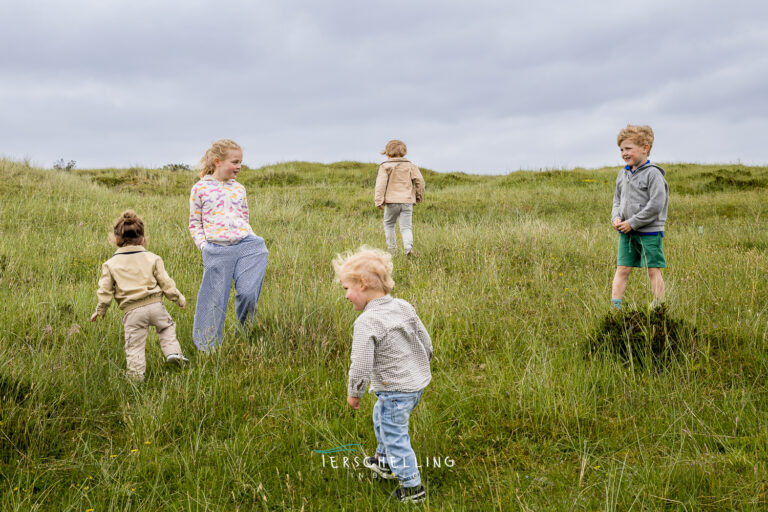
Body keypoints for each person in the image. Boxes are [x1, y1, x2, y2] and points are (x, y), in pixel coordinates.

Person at [332, 247, 432, 503]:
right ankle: (385, 463)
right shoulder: (403, 306)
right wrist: (422, 365)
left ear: (362, 284)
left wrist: (354, 393)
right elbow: (425, 341)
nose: (345, 296)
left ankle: (412, 487)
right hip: (415, 386)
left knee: (394, 433)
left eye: (346, 288)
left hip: (395, 389)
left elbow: (361, 364)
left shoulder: (367, 322)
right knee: (382, 416)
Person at [188, 139, 269, 351]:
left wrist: (250, 235)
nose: (239, 166)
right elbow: (194, 223)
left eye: (241, 161)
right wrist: (204, 246)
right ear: (217, 161)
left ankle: (246, 331)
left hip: (247, 245)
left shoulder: (239, 189)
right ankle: (208, 349)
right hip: (217, 249)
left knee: (248, 293)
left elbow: (244, 217)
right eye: (235, 162)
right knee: (213, 301)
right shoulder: (200, 189)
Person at [90, 210, 189, 381]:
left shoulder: (110, 264)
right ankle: (173, 352)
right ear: (142, 239)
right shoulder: (153, 258)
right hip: (156, 306)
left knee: (134, 345)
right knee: (166, 328)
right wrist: (178, 298)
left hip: (132, 312)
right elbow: (166, 282)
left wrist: (101, 310)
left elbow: (105, 291)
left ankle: (136, 376)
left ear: (116, 240)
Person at [611, 125, 668, 309]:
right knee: (622, 269)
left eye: (628, 149)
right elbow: (617, 200)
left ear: (645, 148)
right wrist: (616, 218)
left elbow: (656, 204)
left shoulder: (653, 174)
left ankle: (659, 307)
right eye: (621, 149)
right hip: (626, 232)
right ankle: (615, 308)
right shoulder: (623, 174)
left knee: (653, 269)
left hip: (649, 232)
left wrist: (633, 223)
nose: (624, 153)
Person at [374, 140, 425, 256]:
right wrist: (419, 195)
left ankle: (392, 251)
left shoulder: (385, 166)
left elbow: (380, 184)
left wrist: (378, 200)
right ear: (404, 152)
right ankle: (408, 248)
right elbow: (420, 181)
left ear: (387, 153)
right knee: (406, 227)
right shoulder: (411, 166)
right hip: (407, 201)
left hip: (391, 202)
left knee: (389, 225)